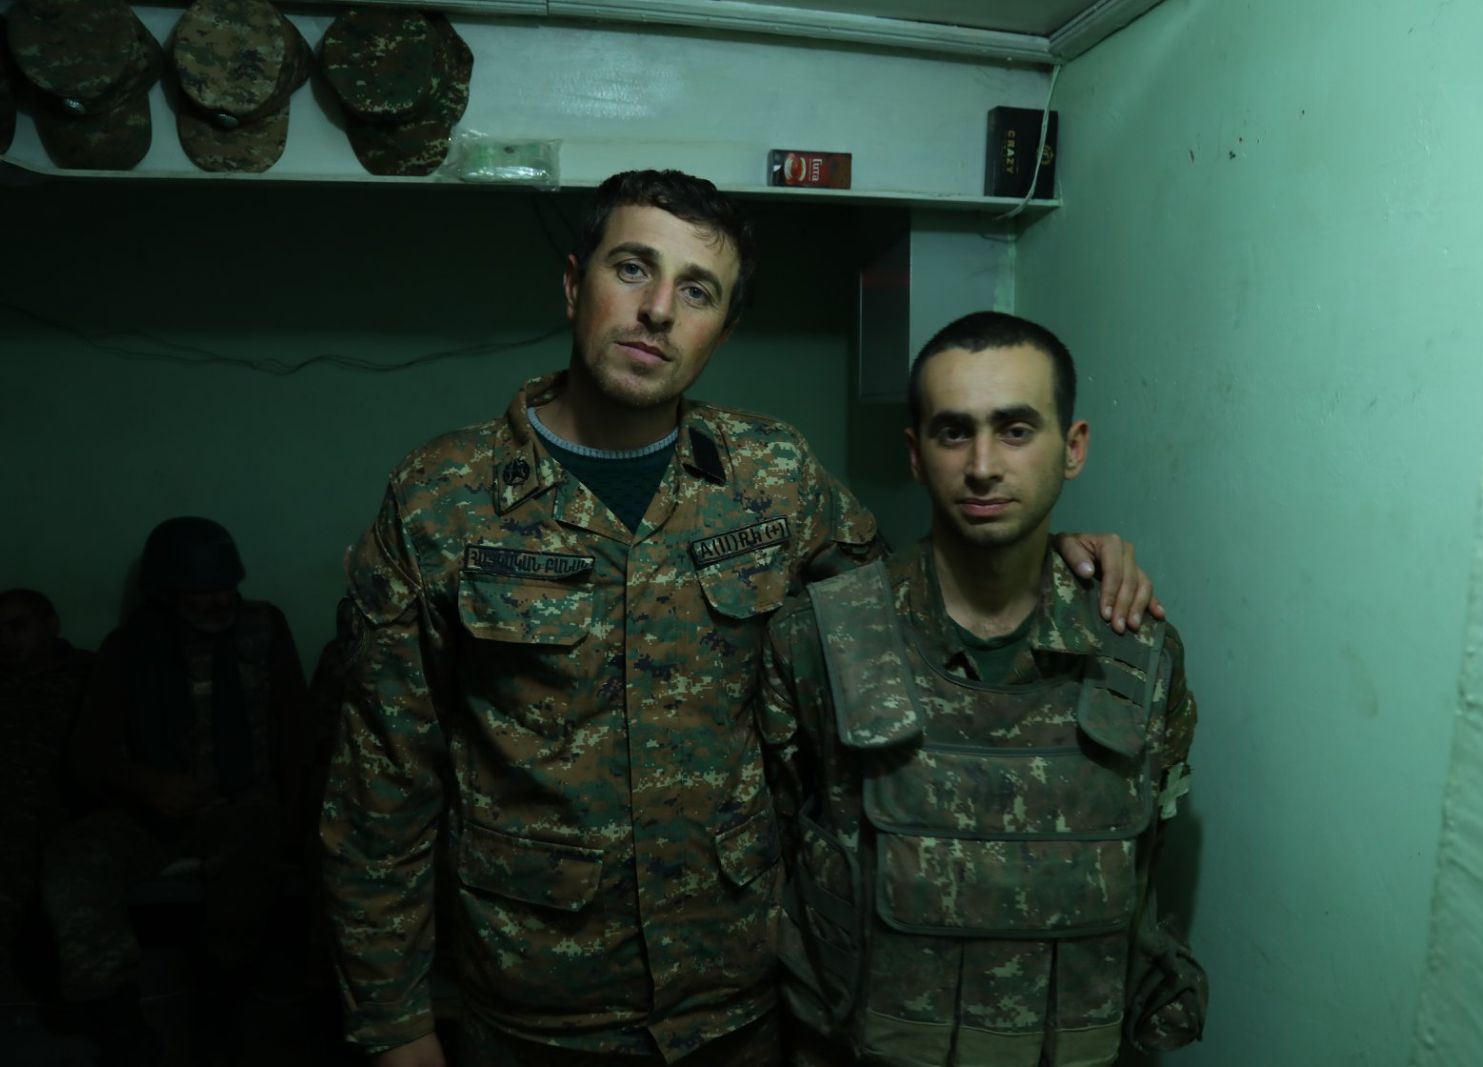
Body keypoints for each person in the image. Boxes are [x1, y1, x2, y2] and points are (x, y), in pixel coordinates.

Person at [321, 169, 1161, 1067]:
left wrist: (1051, 551)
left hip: (739, 1004)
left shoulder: (774, 477)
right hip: (532, 1010)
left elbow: (911, 600)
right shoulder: (443, 499)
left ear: (721, 330)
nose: (657, 310)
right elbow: (382, 786)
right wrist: (395, 1024)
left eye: (697, 291)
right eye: (633, 269)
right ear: (574, 284)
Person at [758, 312, 1207, 1066]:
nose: (983, 465)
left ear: (1073, 447)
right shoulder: (818, 640)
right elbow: (770, 852)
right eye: (953, 432)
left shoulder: (1140, 654)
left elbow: (1149, 849)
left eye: (1016, 429)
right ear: (915, 453)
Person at [41, 516, 309, 1065]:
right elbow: (86, 754)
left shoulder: (263, 631)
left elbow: (296, 733)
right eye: (199, 591)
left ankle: (219, 1013)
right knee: (73, 860)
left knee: (253, 847)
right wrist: (142, 782)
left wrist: (300, 820)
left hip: (240, 807)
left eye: (225, 586)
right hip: (148, 816)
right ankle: (120, 1023)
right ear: (166, 594)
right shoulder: (130, 646)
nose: (218, 601)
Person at [0, 589, 93, 983]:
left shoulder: (90, 675)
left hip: (61, 803)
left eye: (17, 626)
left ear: (51, 625)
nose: (6, 640)